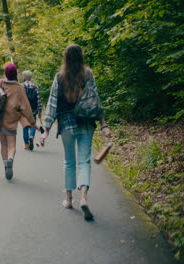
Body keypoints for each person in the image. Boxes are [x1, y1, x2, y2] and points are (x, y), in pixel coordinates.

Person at [39, 44, 111, 220]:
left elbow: (53, 103)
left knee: (69, 162)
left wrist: (46, 130)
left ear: (65, 57)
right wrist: (103, 125)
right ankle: (84, 197)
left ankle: (69, 200)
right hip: (86, 123)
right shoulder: (88, 74)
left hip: (66, 125)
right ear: (81, 57)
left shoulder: (59, 77)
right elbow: (95, 100)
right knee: (84, 162)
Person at [0, 63, 39, 180]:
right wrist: (33, 123)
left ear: (5, 73)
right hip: (11, 121)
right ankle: (11, 160)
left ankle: (6, 167)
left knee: (3, 145)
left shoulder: (0, 83)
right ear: (16, 74)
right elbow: (26, 108)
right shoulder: (19, 88)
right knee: (12, 145)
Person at [21, 70, 42, 151]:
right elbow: (38, 100)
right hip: (33, 110)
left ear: (25, 77)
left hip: (24, 111)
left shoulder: (21, 86)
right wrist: (39, 111)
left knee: (25, 126)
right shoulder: (35, 87)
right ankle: (31, 136)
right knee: (33, 124)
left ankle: (26, 144)